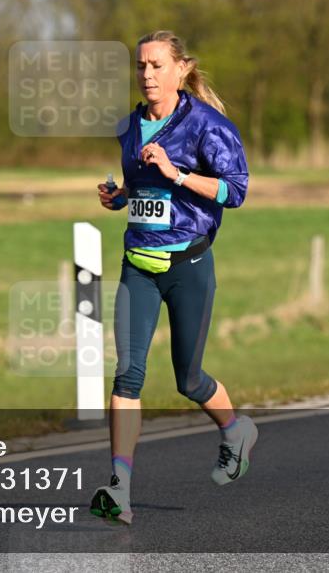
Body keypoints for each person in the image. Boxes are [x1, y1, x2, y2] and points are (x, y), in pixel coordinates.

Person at [90, 31, 257, 525]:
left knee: (188, 379)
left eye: (157, 66)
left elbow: (236, 191)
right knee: (128, 374)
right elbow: (141, 189)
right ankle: (119, 488)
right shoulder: (128, 126)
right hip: (138, 264)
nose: (147, 75)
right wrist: (118, 197)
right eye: (141, 66)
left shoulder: (208, 126)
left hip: (189, 266)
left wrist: (177, 173)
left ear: (181, 69)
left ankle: (236, 430)